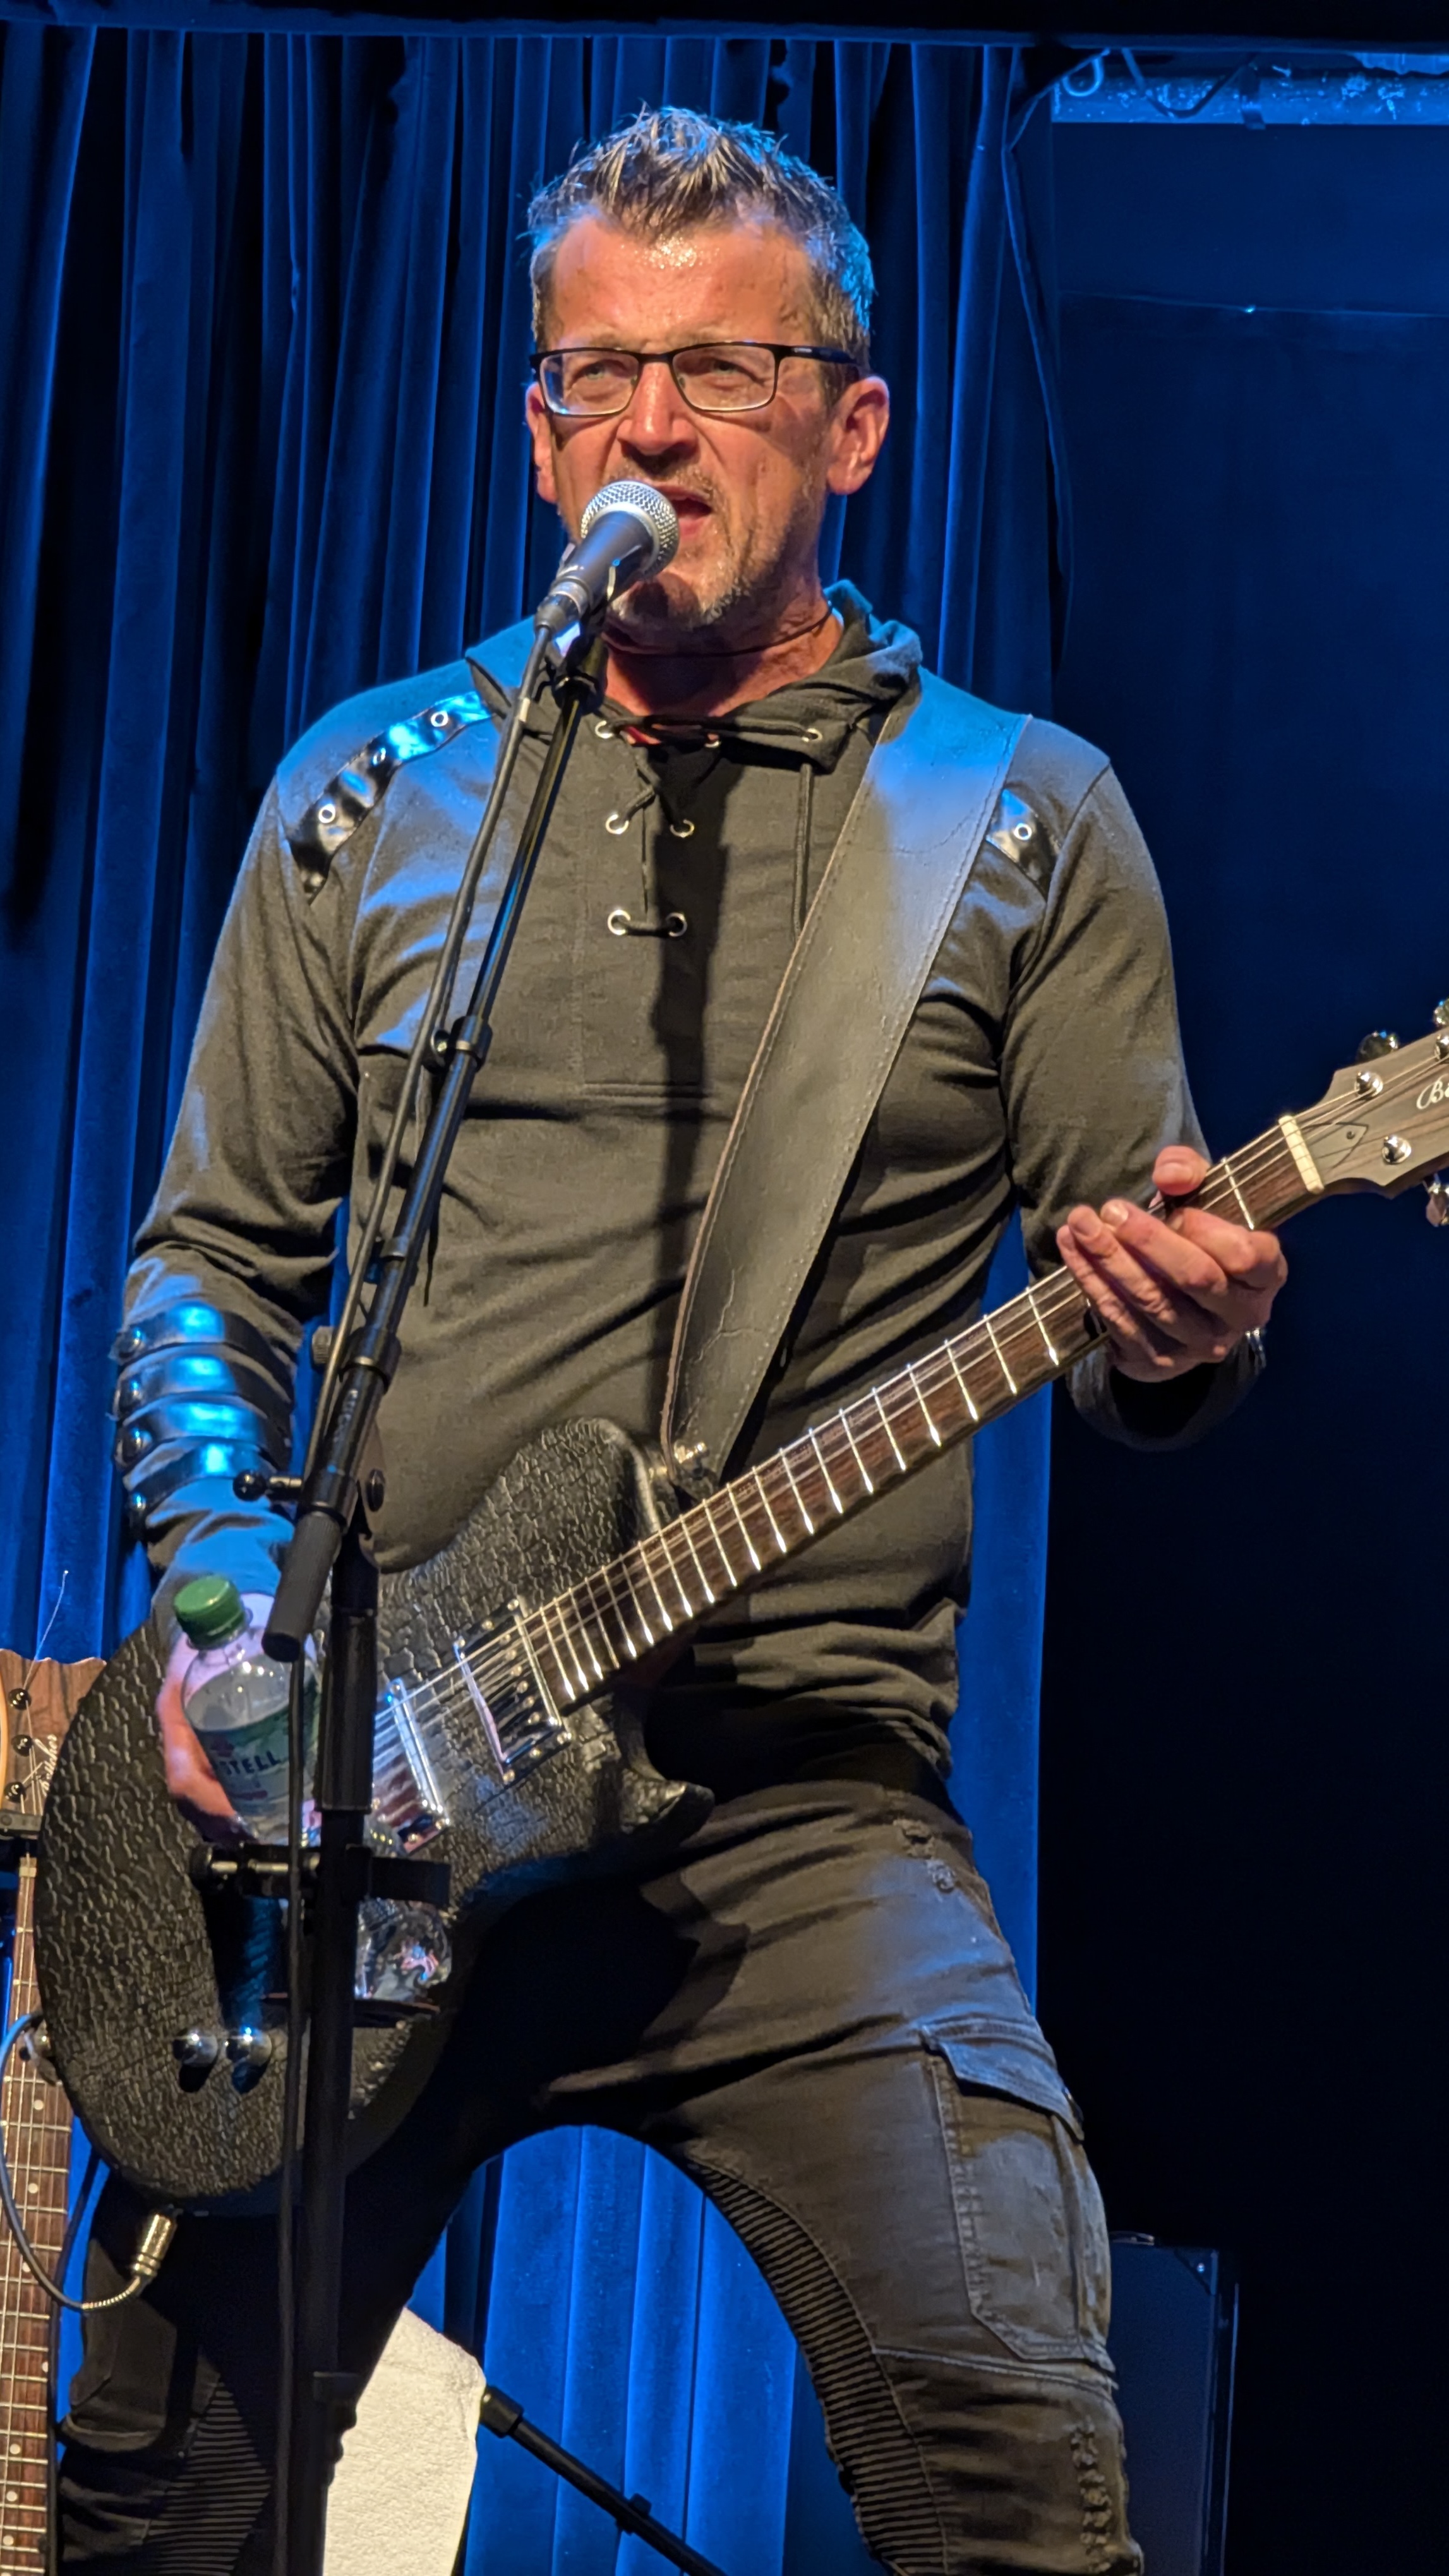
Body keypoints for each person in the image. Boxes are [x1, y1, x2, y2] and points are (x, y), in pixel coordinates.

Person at [63, 109, 1285, 2574]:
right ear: (538, 439)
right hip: (364, 1796)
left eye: (719, 371)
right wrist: (222, 1615)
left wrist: (1185, 1320)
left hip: (795, 1803)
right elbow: (209, 1270)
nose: (652, 427)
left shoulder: (1020, 825)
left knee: (1021, 2475)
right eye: (597, 377)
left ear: (852, 424)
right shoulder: (367, 797)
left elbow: (1136, 1305)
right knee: (154, 2500)